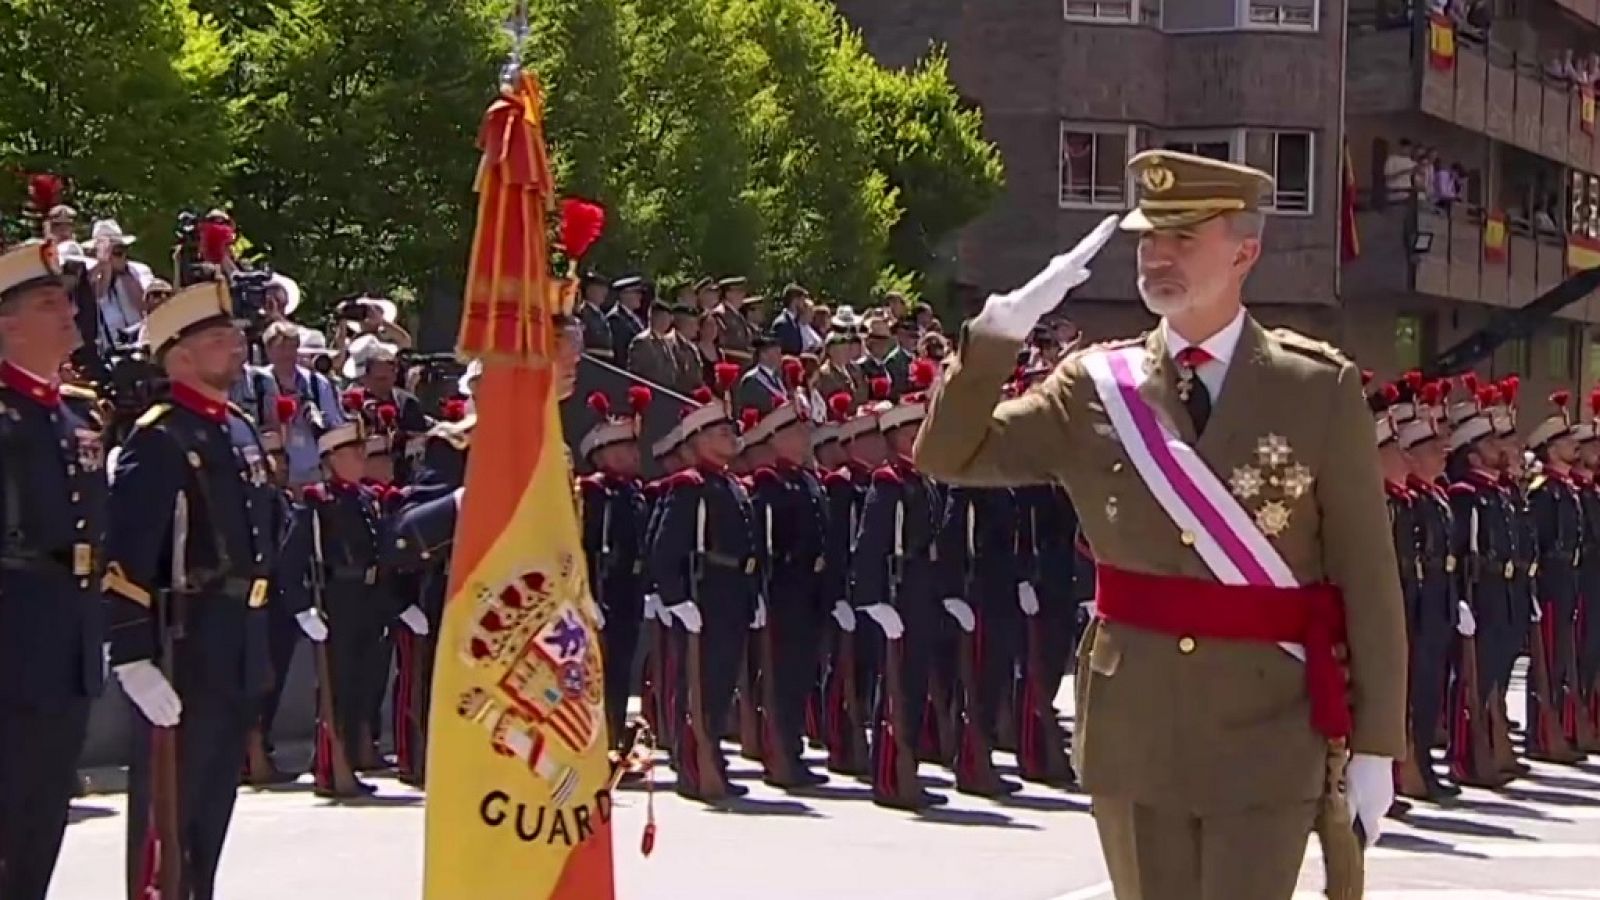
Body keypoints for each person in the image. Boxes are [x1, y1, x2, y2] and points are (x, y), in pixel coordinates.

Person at [914, 150, 1405, 899]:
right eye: (1148, 238)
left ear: (1245, 251)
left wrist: (1375, 745)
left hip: (1270, 729)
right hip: (1136, 727)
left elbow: (1367, 576)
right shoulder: (1092, 388)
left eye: (1182, 239)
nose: (1157, 256)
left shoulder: (1316, 387)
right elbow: (949, 456)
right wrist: (996, 337)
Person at [101, 279, 280, 899]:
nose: (235, 345)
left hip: (235, 640)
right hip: (185, 641)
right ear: (179, 357)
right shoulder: (159, 439)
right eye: (216, 338)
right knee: (167, 822)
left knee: (209, 813)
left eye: (232, 334)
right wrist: (131, 656)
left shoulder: (237, 429)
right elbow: (125, 556)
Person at [0, 241, 107, 900]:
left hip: (64, 648)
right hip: (10, 645)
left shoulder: (75, 416)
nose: (68, 314)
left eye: (67, 300)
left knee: (41, 826)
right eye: (47, 304)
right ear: (6, 323)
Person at [649, 387, 761, 803]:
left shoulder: (730, 484)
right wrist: (675, 596)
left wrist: (753, 594)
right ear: (697, 441)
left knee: (721, 681)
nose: (730, 436)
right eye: (719, 431)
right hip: (705, 591)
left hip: (732, 593)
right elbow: (666, 546)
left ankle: (711, 753)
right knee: (698, 681)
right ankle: (694, 761)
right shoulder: (690, 486)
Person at [577, 389, 652, 751]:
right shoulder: (595, 494)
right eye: (625, 448)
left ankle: (615, 736)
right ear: (602, 453)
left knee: (622, 669)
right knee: (599, 672)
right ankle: (597, 741)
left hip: (629, 591)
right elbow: (587, 546)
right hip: (603, 590)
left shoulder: (633, 493)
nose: (635, 455)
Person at [1523, 391, 1588, 764]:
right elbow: (1540, 543)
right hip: (1551, 581)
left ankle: (1561, 729)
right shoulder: (1544, 492)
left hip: (1571, 578)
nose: (1572, 446)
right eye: (1564, 441)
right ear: (1548, 449)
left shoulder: (1567, 490)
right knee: (1547, 661)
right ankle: (1542, 734)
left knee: (1565, 658)